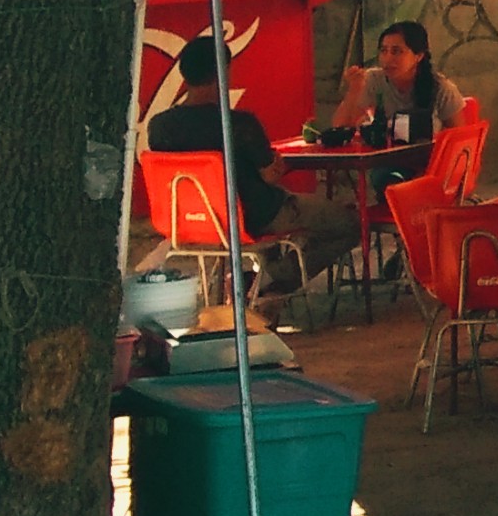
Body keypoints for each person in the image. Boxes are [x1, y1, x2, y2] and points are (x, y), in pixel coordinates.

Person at [149, 36, 361, 316]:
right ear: (221, 73)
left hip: (191, 221)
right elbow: (271, 175)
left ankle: (263, 280)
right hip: (255, 214)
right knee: (347, 222)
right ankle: (273, 281)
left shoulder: (158, 127)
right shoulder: (239, 124)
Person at [333, 20, 461, 176]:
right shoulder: (373, 80)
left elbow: (461, 142)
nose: (388, 58)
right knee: (383, 176)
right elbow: (339, 128)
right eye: (383, 51)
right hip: (389, 163)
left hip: (430, 168)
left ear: (418, 56)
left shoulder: (440, 88)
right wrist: (354, 89)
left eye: (397, 51)